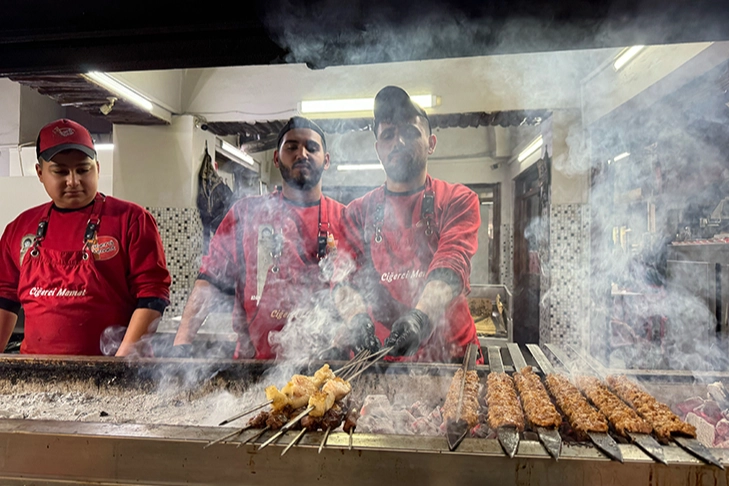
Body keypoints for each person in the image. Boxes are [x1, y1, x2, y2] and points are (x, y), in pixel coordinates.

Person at [173, 116, 358, 359]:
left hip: (328, 368)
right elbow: (210, 280)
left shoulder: (345, 219)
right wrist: (182, 343)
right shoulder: (246, 213)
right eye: (291, 147)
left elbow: (359, 294)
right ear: (276, 158)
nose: (302, 154)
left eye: (312, 147)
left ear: (327, 160)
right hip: (254, 367)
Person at [333, 86, 482, 362]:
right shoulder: (358, 212)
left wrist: (420, 319)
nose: (398, 141)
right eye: (388, 135)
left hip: (451, 359)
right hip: (381, 361)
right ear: (378, 149)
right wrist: (356, 319)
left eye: (410, 132)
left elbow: (452, 261)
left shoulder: (457, 199)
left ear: (431, 143)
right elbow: (343, 277)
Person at [0, 119, 171, 356]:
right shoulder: (19, 228)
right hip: (36, 370)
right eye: (60, 172)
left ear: (97, 168)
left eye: (83, 170)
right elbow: (4, 299)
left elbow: (153, 295)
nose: (73, 181)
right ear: (40, 173)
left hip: (111, 368)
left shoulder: (131, 219)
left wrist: (119, 366)